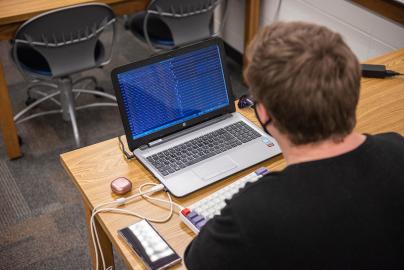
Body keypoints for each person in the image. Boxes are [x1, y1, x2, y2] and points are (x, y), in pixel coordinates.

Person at [184, 21, 404, 269]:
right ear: (351, 90)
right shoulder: (397, 148)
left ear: (265, 113)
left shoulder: (255, 212)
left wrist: (243, 201)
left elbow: (197, 260)